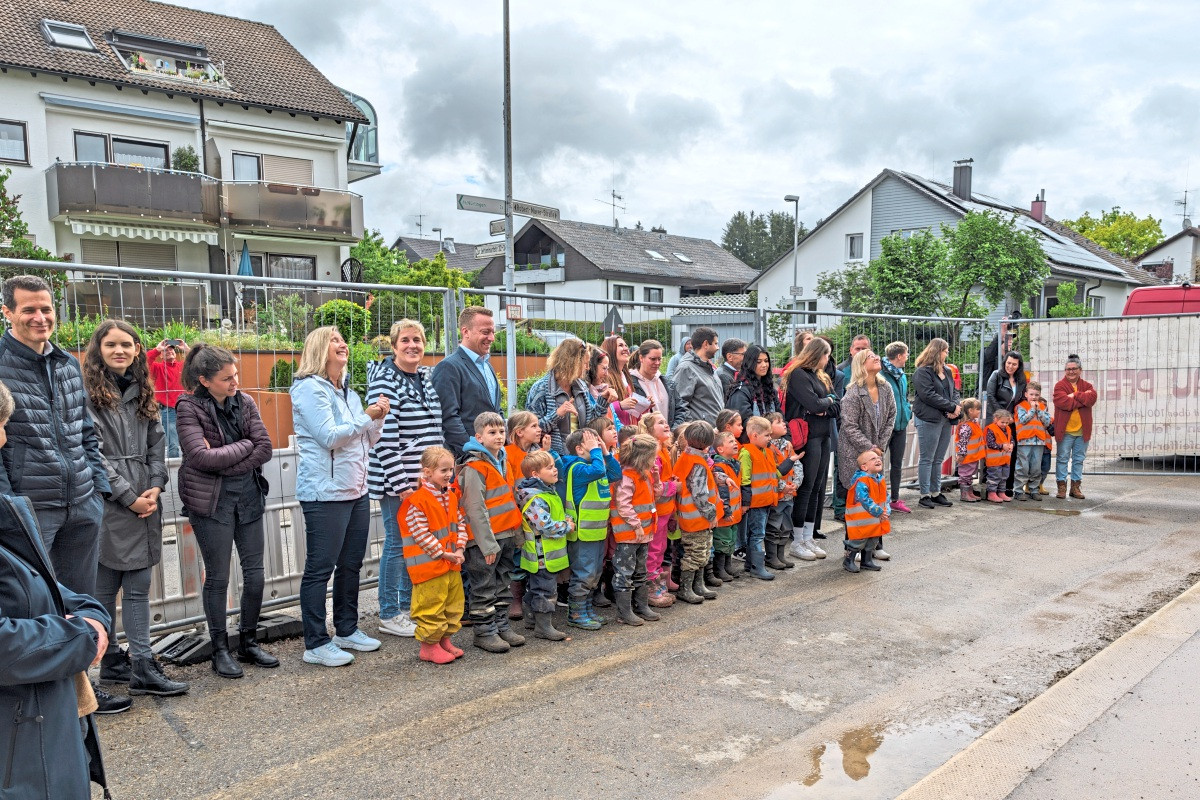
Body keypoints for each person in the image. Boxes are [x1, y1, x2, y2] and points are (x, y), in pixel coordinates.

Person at [0, 275, 121, 712]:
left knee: (81, 600)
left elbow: (86, 432)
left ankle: (83, 692)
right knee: (37, 604)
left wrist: (97, 489)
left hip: (82, 504)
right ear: (7, 312)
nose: (40, 317)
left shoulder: (68, 364)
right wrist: (10, 506)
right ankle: (45, 702)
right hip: (31, 511)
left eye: (46, 308)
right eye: (29, 309)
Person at [0, 378, 112, 798]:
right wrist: (80, 636)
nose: (5, 440)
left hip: (42, 738)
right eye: (0, 426)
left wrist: (91, 615)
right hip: (21, 761)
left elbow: (42, 583)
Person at [84, 320, 188, 698]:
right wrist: (128, 496)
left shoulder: (144, 390)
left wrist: (156, 486)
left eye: (126, 344)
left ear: (137, 349)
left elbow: (158, 446)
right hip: (109, 500)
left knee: (139, 586)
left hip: (145, 496)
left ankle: (140, 662)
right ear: (98, 350)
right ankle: (112, 659)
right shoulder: (87, 395)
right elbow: (91, 452)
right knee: (103, 588)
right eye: (111, 344)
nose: (120, 351)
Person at [176, 344, 277, 678]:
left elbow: (264, 448)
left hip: (248, 497)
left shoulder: (245, 402)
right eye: (226, 378)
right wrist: (245, 446)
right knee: (218, 577)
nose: (235, 382)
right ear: (204, 380)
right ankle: (220, 649)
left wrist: (225, 460)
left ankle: (248, 641)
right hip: (211, 503)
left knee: (255, 574)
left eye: (235, 375)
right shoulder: (188, 407)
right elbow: (200, 458)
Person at [291, 326, 388, 667]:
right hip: (325, 493)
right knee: (320, 569)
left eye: (343, 340)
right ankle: (316, 642)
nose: (342, 344)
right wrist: (367, 417)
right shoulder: (309, 388)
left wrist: (377, 420)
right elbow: (330, 437)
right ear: (319, 349)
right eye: (334, 340)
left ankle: (346, 629)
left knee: (350, 564)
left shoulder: (349, 392)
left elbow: (366, 440)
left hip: (356, 489)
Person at [367, 319, 443, 640]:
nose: (413, 345)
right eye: (406, 340)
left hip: (425, 480)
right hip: (399, 481)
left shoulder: (425, 377)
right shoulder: (384, 380)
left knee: (414, 542)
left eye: (418, 340)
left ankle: (406, 606)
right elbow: (383, 441)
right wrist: (402, 486)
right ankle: (388, 613)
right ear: (394, 346)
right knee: (398, 543)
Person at [459, 411, 525, 652]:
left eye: (501, 431)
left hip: (505, 535)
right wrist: (486, 545)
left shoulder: (502, 461)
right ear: (479, 437)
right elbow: (475, 508)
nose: (499, 436)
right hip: (484, 541)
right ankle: (485, 632)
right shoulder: (475, 467)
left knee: (502, 584)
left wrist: (517, 534)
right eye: (492, 432)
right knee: (484, 587)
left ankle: (501, 626)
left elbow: (509, 500)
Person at [398, 446, 467, 665]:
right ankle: (429, 646)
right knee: (430, 606)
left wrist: (460, 549)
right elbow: (420, 533)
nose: (448, 474)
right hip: (429, 567)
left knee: (452, 603)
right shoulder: (418, 500)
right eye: (443, 470)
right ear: (427, 472)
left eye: (450, 470)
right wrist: (443, 553)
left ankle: (444, 640)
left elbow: (460, 523)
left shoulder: (450, 496)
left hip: (450, 563)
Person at [837, 349, 897, 561]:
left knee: (877, 494)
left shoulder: (885, 387)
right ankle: (853, 547)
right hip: (854, 452)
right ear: (861, 364)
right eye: (871, 356)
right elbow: (849, 426)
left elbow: (891, 416)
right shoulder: (853, 393)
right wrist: (870, 447)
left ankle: (874, 546)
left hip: (876, 449)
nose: (876, 357)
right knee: (857, 501)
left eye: (876, 355)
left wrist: (880, 445)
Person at [783, 338, 839, 557]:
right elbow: (813, 404)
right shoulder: (798, 374)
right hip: (808, 437)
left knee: (817, 487)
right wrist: (827, 402)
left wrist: (825, 405)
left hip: (824, 435)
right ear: (817, 354)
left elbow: (838, 405)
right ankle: (797, 541)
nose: (828, 359)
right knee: (806, 487)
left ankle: (808, 537)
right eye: (826, 355)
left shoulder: (821, 376)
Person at [559, 427, 619, 630]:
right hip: (582, 534)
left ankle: (587, 609)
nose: (597, 448)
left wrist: (605, 452)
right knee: (583, 574)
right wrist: (596, 453)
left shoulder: (595, 466)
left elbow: (615, 473)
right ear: (579, 449)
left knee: (594, 573)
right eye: (592, 444)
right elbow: (599, 471)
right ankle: (576, 613)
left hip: (597, 532)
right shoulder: (577, 469)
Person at [514, 450, 571, 641]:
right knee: (545, 590)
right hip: (541, 555)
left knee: (537, 588)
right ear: (535, 474)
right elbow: (545, 526)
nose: (555, 470)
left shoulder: (546, 492)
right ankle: (543, 626)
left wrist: (564, 519)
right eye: (549, 467)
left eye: (554, 466)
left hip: (546, 554)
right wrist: (566, 526)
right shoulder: (535, 498)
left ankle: (532, 617)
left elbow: (552, 516)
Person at [432, 306, 501, 459]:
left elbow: (496, 410)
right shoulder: (448, 367)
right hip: (466, 460)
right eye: (485, 332)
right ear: (465, 332)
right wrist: (472, 453)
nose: (491, 338)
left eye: (493, 332)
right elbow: (449, 418)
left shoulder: (487, 366)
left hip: (491, 457)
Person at [607, 434, 661, 626]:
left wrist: (656, 478)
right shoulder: (627, 477)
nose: (655, 460)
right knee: (625, 573)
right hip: (629, 534)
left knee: (640, 571)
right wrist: (636, 524)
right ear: (643, 458)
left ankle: (641, 606)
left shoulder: (644, 474)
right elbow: (623, 504)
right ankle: (624, 612)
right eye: (653, 457)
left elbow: (656, 496)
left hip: (643, 533)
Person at [526, 338, 605, 454]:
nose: (587, 368)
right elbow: (531, 430)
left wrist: (604, 400)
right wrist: (557, 414)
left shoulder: (581, 386)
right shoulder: (540, 388)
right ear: (572, 363)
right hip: (554, 456)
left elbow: (591, 422)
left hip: (581, 454)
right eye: (585, 363)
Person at [911, 338, 962, 509]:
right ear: (937, 351)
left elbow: (954, 391)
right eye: (945, 351)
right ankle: (924, 494)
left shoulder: (946, 370)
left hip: (945, 418)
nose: (947, 354)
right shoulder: (922, 372)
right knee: (927, 458)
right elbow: (928, 395)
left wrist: (955, 406)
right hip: (928, 418)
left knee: (938, 458)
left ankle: (935, 492)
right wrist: (951, 407)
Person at [672, 421, 719, 604]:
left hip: (691, 517)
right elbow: (699, 494)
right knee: (695, 554)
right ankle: (686, 589)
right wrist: (711, 514)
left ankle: (697, 586)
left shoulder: (687, 457)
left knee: (701, 552)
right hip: (696, 518)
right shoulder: (698, 463)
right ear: (708, 443)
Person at [739, 415, 788, 580]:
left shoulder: (766, 451)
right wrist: (746, 503)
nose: (769, 438)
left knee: (756, 533)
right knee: (757, 534)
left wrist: (789, 463)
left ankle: (751, 564)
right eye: (767, 435)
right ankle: (756, 567)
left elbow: (774, 473)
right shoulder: (746, 453)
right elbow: (745, 480)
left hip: (766, 500)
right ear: (754, 435)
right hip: (756, 503)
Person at [638, 412, 679, 605]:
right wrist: (674, 487)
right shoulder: (653, 455)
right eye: (660, 423)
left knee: (660, 549)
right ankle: (651, 591)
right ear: (648, 430)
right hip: (655, 512)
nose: (666, 425)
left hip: (665, 511)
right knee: (653, 552)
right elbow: (655, 487)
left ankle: (658, 587)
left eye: (666, 421)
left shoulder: (663, 450)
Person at [831, 334, 872, 522]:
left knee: (864, 468)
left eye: (865, 348)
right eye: (858, 348)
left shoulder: (872, 370)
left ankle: (861, 505)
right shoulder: (841, 371)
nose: (861, 352)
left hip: (867, 429)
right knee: (843, 469)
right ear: (851, 350)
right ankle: (840, 507)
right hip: (845, 428)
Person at [1053, 354, 1098, 500]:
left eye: (1074, 369)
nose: (1071, 371)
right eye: (1068, 369)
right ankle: (1061, 487)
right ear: (1065, 370)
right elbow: (1063, 403)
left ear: (1080, 370)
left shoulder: (1087, 386)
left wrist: (1075, 394)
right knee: (1062, 459)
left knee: (1078, 460)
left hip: (1082, 431)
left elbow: (1091, 400)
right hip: (1065, 431)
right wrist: (1082, 398)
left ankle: (1075, 488)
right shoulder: (1059, 386)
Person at [986, 349, 1028, 498]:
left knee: (1010, 452)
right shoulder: (996, 375)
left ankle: (1007, 487)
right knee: (995, 451)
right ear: (1005, 362)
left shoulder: (1021, 379)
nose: (1010, 366)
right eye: (1008, 363)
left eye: (1014, 364)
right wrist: (1003, 416)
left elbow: (1022, 398)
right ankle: (991, 488)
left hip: (1012, 421)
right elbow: (990, 396)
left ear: (1019, 365)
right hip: (996, 418)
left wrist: (1015, 415)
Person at [764, 412, 803, 568]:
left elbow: (797, 464)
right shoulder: (767, 447)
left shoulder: (787, 445)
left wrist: (796, 483)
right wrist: (782, 486)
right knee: (774, 526)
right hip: (777, 496)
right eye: (778, 422)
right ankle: (771, 557)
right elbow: (770, 471)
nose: (784, 424)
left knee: (786, 526)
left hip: (789, 495)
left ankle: (781, 555)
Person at [842, 450, 890, 574]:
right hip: (860, 520)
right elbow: (864, 499)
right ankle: (848, 560)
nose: (878, 459)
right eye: (873, 459)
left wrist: (887, 509)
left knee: (872, 540)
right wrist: (878, 511)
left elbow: (885, 496)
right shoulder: (862, 480)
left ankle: (866, 561)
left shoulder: (880, 479)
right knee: (858, 540)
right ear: (864, 467)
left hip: (875, 518)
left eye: (878, 457)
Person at [880, 342, 913, 513]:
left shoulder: (902, 375)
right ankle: (879, 498)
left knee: (897, 463)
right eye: (906, 354)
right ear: (899, 356)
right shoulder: (880, 374)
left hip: (900, 425)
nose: (907, 357)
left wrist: (907, 412)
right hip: (885, 427)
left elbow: (904, 397)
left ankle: (895, 498)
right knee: (878, 463)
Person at [628, 339, 689, 428]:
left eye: (659, 359)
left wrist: (673, 430)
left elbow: (681, 409)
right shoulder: (630, 384)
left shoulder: (667, 383)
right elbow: (630, 416)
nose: (657, 363)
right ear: (641, 358)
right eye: (653, 359)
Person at [147, 338, 189, 458]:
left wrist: (187, 349)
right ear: (161, 355)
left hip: (187, 409)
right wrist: (157, 349)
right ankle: (174, 468)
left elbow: (199, 362)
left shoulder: (183, 366)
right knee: (173, 444)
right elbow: (143, 363)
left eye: (171, 349)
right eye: (166, 350)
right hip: (169, 410)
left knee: (190, 441)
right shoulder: (157, 368)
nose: (169, 351)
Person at [674, 327, 724, 425]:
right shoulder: (686, 368)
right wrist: (695, 428)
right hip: (701, 432)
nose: (718, 348)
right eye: (715, 343)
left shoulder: (709, 368)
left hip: (715, 430)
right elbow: (680, 404)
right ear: (706, 344)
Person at [710, 431, 743, 581]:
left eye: (735, 441)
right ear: (720, 449)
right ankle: (719, 569)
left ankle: (727, 566)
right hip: (725, 513)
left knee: (731, 539)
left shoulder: (734, 463)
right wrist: (726, 510)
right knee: (722, 541)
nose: (735, 443)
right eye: (730, 442)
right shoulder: (719, 466)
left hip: (734, 513)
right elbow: (722, 491)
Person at [1013, 380, 1052, 501]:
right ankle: (1019, 490)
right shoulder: (1020, 407)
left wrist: (1039, 410)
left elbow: (1047, 422)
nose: (1034, 397)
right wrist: (1032, 410)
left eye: (1036, 394)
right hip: (1025, 441)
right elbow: (1023, 420)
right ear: (1026, 394)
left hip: (1039, 441)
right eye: (1031, 394)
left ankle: (1034, 489)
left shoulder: (1042, 407)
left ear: (1040, 395)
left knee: (1036, 467)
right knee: (1022, 466)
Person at [726, 345, 780, 424]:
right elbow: (745, 422)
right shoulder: (741, 391)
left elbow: (780, 417)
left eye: (766, 361)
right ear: (749, 363)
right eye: (758, 362)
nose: (764, 365)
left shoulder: (769, 388)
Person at [954, 398, 986, 502]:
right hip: (967, 456)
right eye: (978, 409)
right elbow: (962, 442)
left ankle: (969, 493)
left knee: (969, 475)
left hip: (972, 456)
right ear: (970, 411)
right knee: (965, 475)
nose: (979, 411)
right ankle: (964, 494)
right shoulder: (966, 426)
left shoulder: (973, 423)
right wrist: (961, 454)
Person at [984, 409, 1015, 503]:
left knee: (1004, 477)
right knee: (994, 477)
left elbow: (1011, 439)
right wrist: (1002, 446)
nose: (1004, 424)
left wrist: (1012, 444)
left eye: (1006, 422)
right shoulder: (991, 429)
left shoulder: (1008, 429)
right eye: (1002, 422)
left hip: (1005, 459)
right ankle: (991, 493)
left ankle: (1001, 492)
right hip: (994, 460)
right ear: (995, 419)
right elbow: (990, 443)